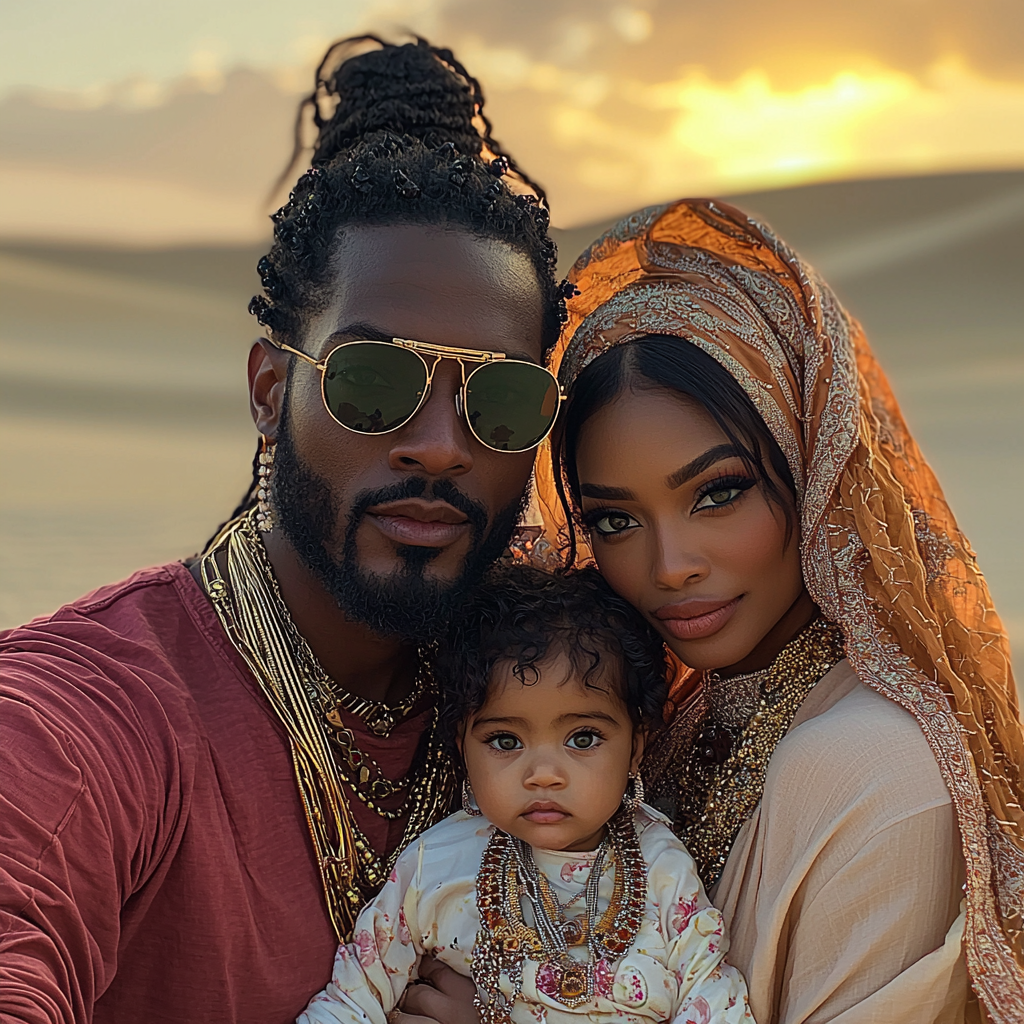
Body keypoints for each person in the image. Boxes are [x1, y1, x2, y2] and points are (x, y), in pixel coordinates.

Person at [0, 37, 568, 1023]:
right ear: (272, 391)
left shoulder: (553, 692)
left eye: (502, 400)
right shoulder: (95, 713)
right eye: (372, 381)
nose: (439, 445)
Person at [530, 199, 1024, 1023]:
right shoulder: (685, 718)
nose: (670, 566)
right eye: (614, 519)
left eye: (718, 493)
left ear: (814, 468)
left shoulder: (871, 768)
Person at [299, 565, 753, 1024]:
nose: (543, 775)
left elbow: (716, 1003)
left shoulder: (663, 871)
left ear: (635, 748)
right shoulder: (436, 868)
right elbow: (351, 1002)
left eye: (582, 738)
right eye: (505, 741)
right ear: (463, 747)